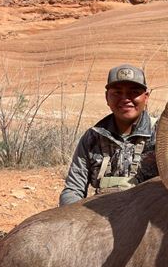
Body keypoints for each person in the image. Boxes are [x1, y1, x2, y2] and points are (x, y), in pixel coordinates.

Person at [59, 64, 158, 206]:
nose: (125, 99)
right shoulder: (92, 137)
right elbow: (73, 190)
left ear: (146, 97)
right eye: (117, 92)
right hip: (100, 213)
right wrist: (74, 214)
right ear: (107, 97)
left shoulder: (163, 134)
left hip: (149, 213)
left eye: (134, 92)